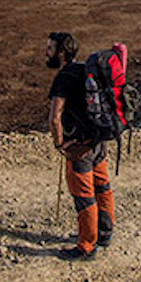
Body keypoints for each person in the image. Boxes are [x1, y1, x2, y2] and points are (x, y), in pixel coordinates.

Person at [46, 31, 115, 261]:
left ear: (61, 52)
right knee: (102, 186)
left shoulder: (63, 78)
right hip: (97, 141)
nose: (47, 52)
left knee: (84, 196)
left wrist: (60, 144)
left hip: (80, 148)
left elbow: (55, 117)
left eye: (50, 48)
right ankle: (105, 232)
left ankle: (87, 245)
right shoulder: (86, 69)